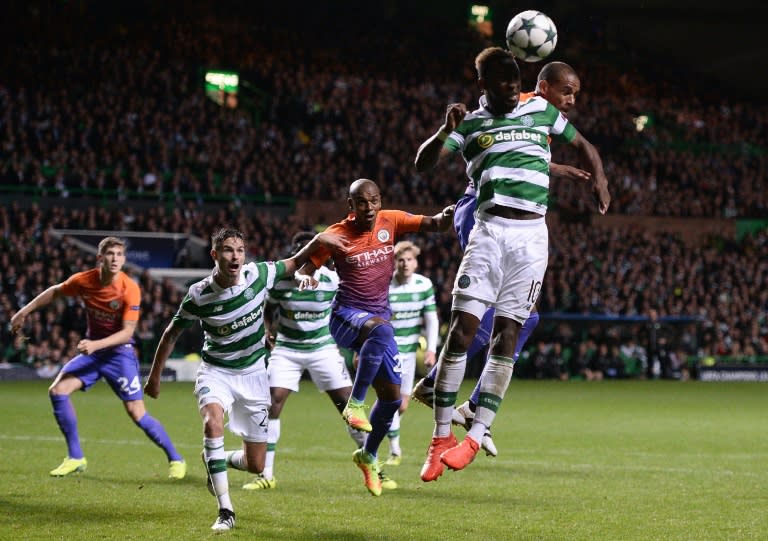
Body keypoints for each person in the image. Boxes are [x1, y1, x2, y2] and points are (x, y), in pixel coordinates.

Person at [414, 47, 610, 481]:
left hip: (531, 238)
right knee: (461, 332)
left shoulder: (539, 109)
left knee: (513, 329)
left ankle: (475, 432)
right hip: (487, 230)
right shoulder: (469, 123)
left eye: (513, 80)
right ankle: (440, 436)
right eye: (501, 82)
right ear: (482, 85)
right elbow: (422, 164)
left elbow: (584, 144)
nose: (509, 88)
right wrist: (440, 131)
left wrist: (599, 177)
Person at [144, 227, 345, 531]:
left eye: (239, 249)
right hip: (216, 372)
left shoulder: (258, 274)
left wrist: (321, 241)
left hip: (253, 375)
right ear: (215, 255)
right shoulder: (199, 294)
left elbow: (295, 260)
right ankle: (226, 510)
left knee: (257, 465)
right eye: (227, 249)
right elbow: (171, 334)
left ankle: (216, 459)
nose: (234, 255)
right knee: (212, 423)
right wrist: (154, 377)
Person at [295, 178, 454, 496]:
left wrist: (449, 215)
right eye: (361, 202)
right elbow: (301, 268)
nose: (369, 207)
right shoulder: (336, 234)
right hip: (345, 317)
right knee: (381, 330)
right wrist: (304, 277)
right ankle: (354, 405)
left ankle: (367, 455)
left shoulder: (391, 220)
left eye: (374, 201)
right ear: (350, 204)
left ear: (380, 201)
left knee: (393, 399)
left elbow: (435, 224)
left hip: (378, 323)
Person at [9, 236, 186, 479]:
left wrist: (95, 344)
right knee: (58, 391)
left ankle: (176, 458)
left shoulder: (129, 288)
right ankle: (75, 457)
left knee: (137, 413)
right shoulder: (84, 280)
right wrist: (24, 311)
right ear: (100, 258)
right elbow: (55, 291)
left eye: (119, 255)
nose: (115, 259)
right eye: (110, 254)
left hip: (119, 354)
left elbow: (127, 333)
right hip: (93, 352)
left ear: (124, 260)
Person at [251, 231, 395, 491]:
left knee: (348, 409)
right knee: (272, 403)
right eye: (301, 253)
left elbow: (352, 309)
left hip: (323, 348)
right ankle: (265, 474)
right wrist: (266, 331)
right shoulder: (282, 282)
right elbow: (267, 309)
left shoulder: (332, 281)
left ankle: (373, 464)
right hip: (288, 349)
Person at [383, 240, 439, 466]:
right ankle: (395, 451)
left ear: (416, 263)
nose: (405, 264)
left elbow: (431, 319)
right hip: (387, 350)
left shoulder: (423, 285)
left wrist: (431, 349)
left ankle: (385, 426)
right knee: (393, 401)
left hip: (409, 352)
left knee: (402, 404)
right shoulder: (385, 286)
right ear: (394, 263)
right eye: (400, 260)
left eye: (409, 260)